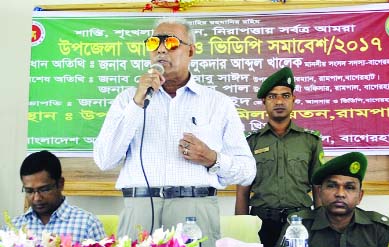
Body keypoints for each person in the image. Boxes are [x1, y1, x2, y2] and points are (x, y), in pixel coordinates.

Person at [93, 17, 256, 247]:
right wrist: (136, 104)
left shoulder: (218, 103)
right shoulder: (127, 99)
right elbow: (104, 159)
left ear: (191, 51)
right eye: (153, 43)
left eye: (170, 43)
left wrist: (212, 159)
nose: (160, 49)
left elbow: (247, 172)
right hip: (139, 209)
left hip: (195, 210)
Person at [235, 67, 324, 247]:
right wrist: (241, 229)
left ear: (293, 100)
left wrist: (322, 225)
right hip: (261, 223)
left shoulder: (310, 140)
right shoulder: (250, 142)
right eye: (272, 96)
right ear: (264, 102)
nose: (279, 101)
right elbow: (243, 191)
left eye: (285, 95)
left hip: (301, 222)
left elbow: (318, 188)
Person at [276, 151, 389, 247]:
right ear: (320, 192)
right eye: (332, 186)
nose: (340, 194)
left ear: (360, 196)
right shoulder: (299, 226)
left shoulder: (377, 229)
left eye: (349, 187)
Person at [10, 150, 106, 243]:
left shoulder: (87, 224)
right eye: (29, 191)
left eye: (44, 189)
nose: (37, 198)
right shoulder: (14, 227)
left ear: (60, 184)